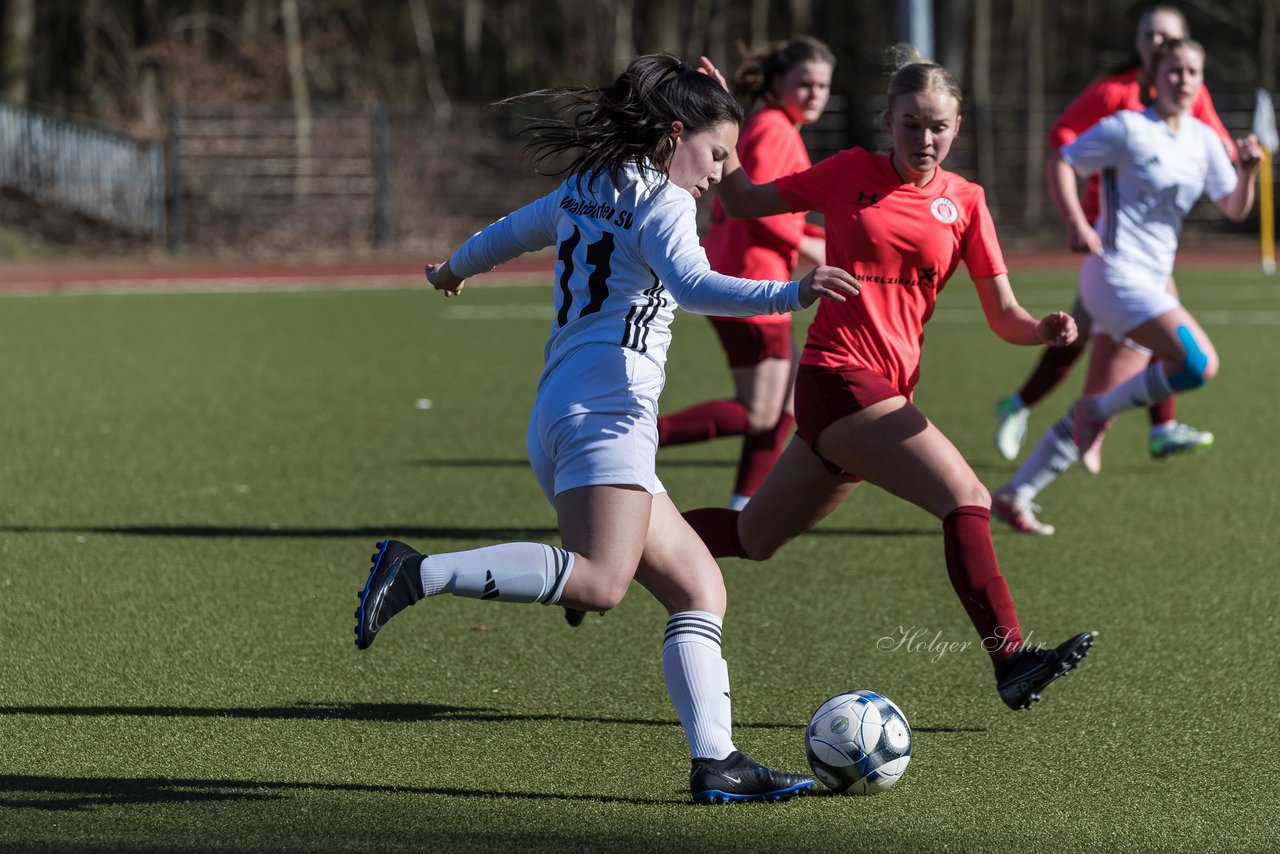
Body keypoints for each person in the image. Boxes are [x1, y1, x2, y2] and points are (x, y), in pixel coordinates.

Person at [351, 53, 862, 804]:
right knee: (599, 581)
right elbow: (693, 287)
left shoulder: (587, 187)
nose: (723, 172)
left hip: (562, 411)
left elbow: (508, 234)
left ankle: (716, 761)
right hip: (610, 415)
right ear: (675, 133)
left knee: (698, 586)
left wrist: (452, 268)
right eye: (718, 154)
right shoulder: (662, 203)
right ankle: (417, 571)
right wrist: (792, 290)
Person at [682, 46, 1097, 712]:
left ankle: (624, 546)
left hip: (883, 395)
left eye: (937, 126)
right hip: (837, 378)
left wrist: (1043, 332)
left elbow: (1006, 316)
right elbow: (744, 198)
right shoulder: (849, 172)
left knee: (753, 538)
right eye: (911, 124)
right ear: (887, 121)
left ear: (957, 127)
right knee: (967, 497)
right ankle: (1011, 658)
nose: (924, 139)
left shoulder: (967, 203)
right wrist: (719, 119)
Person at [993, 38, 1261, 535]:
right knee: (1198, 363)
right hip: (1114, 275)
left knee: (1103, 402)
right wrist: (1076, 222)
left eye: (1193, 71)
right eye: (1174, 70)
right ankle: (1096, 411)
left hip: (1151, 282)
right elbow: (1061, 162)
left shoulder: (1203, 139)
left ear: (1202, 81)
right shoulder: (1127, 128)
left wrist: (1246, 174)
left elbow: (1233, 207)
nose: (1183, 79)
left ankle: (1015, 493)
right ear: (1153, 78)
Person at [657, 37, 833, 511]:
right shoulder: (775, 130)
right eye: (806, 84)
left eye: (823, 86)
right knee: (759, 410)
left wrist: (811, 241)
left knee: (789, 402)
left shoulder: (774, 127)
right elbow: (756, 210)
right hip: (753, 283)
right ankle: (638, 439)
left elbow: (770, 213)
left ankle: (743, 504)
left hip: (745, 276)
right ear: (779, 82)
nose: (815, 94)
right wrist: (820, 247)